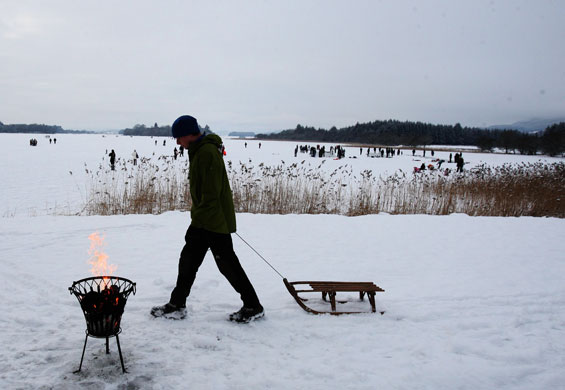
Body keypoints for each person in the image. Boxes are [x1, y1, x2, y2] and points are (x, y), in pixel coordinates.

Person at [151, 115, 264, 323]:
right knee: (188, 262)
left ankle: (253, 306)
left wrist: (199, 219)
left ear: (188, 134)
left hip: (213, 221)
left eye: (178, 138)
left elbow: (212, 193)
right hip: (205, 219)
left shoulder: (207, 153)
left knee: (227, 265)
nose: (177, 142)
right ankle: (177, 304)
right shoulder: (198, 151)